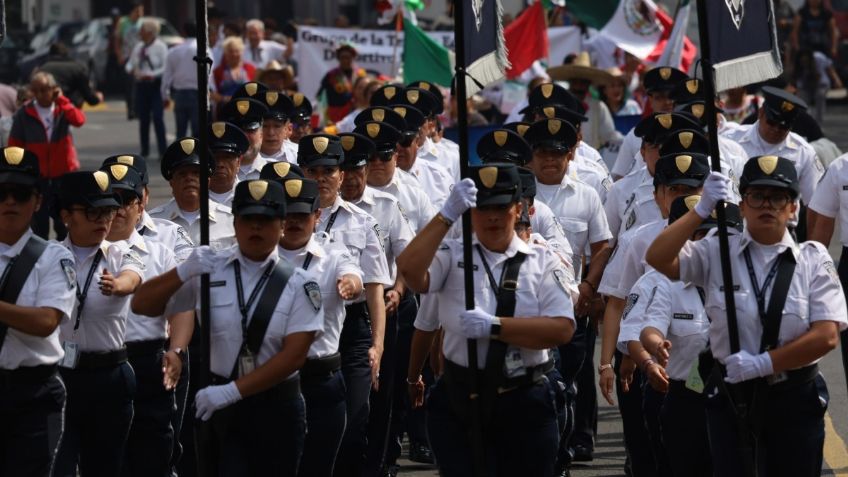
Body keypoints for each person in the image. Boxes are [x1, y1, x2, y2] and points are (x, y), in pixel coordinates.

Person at [646, 157, 847, 477]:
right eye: (756, 196)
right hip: (732, 396)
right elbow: (657, 257)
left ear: (793, 208)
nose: (766, 205)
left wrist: (765, 363)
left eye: (778, 197)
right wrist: (699, 210)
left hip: (793, 398)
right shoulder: (716, 252)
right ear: (741, 205)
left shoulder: (812, 260)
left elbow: (827, 335)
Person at [132, 179, 324, 475]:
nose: (255, 228)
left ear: (282, 224)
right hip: (222, 409)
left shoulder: (301, 283)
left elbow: (294, 356)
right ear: (235, 223)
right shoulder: (210, 270)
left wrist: (233, 392)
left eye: (265, 220)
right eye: (248, 219)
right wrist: (181, 272)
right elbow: (142, 305)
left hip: (276, 406)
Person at [398, 163, 576, 476]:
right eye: (482, 207)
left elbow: (562, 328)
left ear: (518, 208)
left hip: (524, 398)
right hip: (460, 398)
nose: (492, 216)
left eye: (500, 206)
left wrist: (496, 327)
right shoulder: (452, 256)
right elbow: (410, 271)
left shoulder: (542, 260)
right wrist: (446, 215)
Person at [618, 195, 742, 477]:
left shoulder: (750, 283)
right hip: (687, 396)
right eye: (701, 236)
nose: (711, 245)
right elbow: (650, 329)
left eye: (722, 237)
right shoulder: (668, 284)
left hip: (738, 394)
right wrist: (656, 346)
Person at [297, 134, 392, 477]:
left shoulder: (362, 221)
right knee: (304, 425)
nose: (321, 178)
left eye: (329, 170)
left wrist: (378, 345)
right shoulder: (287, 219)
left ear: (341, 174)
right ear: (301, 172)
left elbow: (375, 288)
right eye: (313, 170)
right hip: (300, 329)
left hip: (351, 332)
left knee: (351, 422)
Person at [52, 170, 145, 477]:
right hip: (62, 375)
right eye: (93, 212)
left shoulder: (119, 253)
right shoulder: (49, 258)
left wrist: (119, 285)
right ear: (67, 216)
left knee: (105, 464)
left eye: (107, 211)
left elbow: (133, 277)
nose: (103, 221)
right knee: (59, 463)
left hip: (110, 375)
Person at [274, 176, 363, 477]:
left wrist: (349, 285)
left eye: (302, 215)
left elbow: (354, 276)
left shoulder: (333, 256)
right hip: (275, 381)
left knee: (319, 466)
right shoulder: (261, 259)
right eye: (288, 215)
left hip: (322, 379)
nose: (295, 222)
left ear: (317, 216)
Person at [0, 147, 77, 476]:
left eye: (20, 194)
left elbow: (47, 321)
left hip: (32, 394)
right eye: (1, 194)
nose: (10, 202)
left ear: (37, 201)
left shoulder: (53, 258)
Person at [9, 71, 85, 240]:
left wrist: (63, 100)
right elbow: (15, 144)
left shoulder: (62, 108)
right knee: (39, 225)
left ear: (54, 89)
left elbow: (79, 120)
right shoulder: (24, 113)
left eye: (45, 89)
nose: (41, 95)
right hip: (37, 176)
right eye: (36, 90)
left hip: (63, 174)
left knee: (64, 224)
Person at [147, 137, 235, 250]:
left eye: (196, 173)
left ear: (208, 181)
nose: (189, 178)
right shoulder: (154, 223)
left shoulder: (229, 220)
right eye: (182, 174)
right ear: (171, 182)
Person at [126, 19, 168, 160]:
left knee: (157, 117)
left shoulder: (161, 47)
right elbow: (130, 64)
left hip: (155, 85)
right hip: (141, 86)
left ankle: (163, 150)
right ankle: (144, 149)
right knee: (143, 118)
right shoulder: (138, 47)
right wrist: (131, 70)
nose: (140, 33)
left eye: (142, 30)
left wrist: (151, 75)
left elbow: (164, 67)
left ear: (150, 32)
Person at [162, 22, 203, 138]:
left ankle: (181, 155)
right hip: (198, 93)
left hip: (180, 94)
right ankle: (199, 155)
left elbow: (167, 77)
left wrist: (165, 96)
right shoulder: (204, 50)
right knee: (198, 131)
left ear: (183, 32)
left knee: (181, 131)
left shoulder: (174, 51)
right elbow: (210, 75)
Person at [39, 42, 103, 109]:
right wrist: (97, 98)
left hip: (47, 110)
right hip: (71, 109)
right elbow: (88, 95)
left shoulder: (42, 68)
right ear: (66, 54)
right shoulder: (78, 68)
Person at [319, 44, 367, 124]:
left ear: (353, 58)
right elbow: (320, 95)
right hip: (336, 116)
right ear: (338, 58)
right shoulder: (331, 75)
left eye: (348, 57)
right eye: (342, 57)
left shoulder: (360, 74)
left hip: (357, 114)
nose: (345, 60)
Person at [114, 2, 144, 120]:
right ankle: (130, 109)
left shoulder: (142, 23)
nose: (140, 13)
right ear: (132, 11)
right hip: (127, 57)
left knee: (139, 84)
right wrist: (119, 55)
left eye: (142, 11)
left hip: (141, 58)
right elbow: (117, 40)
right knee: (129, 85)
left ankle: (138, 109)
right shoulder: (123, 22)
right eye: (138, 11)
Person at [212, 37, 257, 112]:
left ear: (242, 52)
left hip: (247, 111)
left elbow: (256, 91)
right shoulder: (218, 71)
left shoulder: (251, 69)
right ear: (225, 54)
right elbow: (213, 95)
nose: (234, 54)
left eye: (237, 51)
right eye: (230, 51)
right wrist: (225, 99)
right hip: (225, 110)